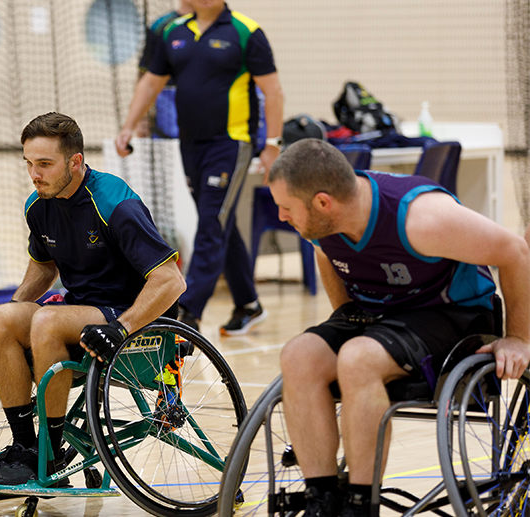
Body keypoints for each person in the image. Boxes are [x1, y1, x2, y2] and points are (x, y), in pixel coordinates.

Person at [269, 138, 530, 517]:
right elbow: (325, 253)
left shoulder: (421, 218)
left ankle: (361, 504)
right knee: (298, 355)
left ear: (324, 202)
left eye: (286, 207)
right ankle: (321, 498)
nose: (280, 216)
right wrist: (345, 312)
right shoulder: (321, 222)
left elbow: (515, 251)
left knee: (358, 359)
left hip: (451, 314)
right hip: (382, 311)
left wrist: (520, 337)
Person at [0, 112, 186, 487]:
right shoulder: (38, 206)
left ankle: (50, 456)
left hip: (134, 321)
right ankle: (25, 449)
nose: (35, 174)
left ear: (75, 162)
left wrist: (122, 327)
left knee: (47, 320)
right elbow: (42, 268)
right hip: (82, 314)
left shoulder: (114, 202)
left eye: (45, 164)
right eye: (30, 164)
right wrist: (9, 315)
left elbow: (171, 281)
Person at [115, 0, 284, 336]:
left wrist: (272, 144)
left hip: (231, 143)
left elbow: (273, 91)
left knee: (210, 222)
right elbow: (152, 81)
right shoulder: (172, 32)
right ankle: (248, 303)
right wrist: (129, 125)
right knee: (221, 221)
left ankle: (187, 313)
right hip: (190, 144)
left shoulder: (246, 32)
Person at [135, 0, 193, 138]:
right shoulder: (161, 26)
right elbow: (144, 73)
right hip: (167, 106)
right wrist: (141, 118)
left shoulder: (218, 26)